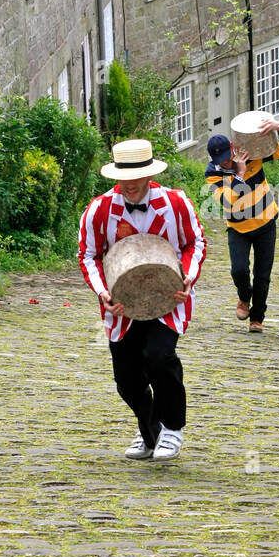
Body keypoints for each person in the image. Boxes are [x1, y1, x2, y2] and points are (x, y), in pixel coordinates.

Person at [78, 139, 206, 462]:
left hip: (169, 299)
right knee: (127, 379)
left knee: (159, 357)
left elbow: (195, 242)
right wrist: (103, 292)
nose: (130, 185)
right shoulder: (99, 211)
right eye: (124, 178)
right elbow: (88, 255)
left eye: (138, 177)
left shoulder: (176, 204)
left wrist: (188, 276)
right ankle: (150, 431)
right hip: (121, 306)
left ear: (150, 175)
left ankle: (172, 427)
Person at [205, 115, 279, 333]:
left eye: (229, 157)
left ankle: (257, 319)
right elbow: (227, 201)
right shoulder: (212, 174)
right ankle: (244, 297)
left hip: (266, 223)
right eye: (222, 161)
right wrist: (239, 174)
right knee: (239, 270)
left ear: (233, 147)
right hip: (238, 229)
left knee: (263, 275)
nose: (227, 162)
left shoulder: (252, 156)